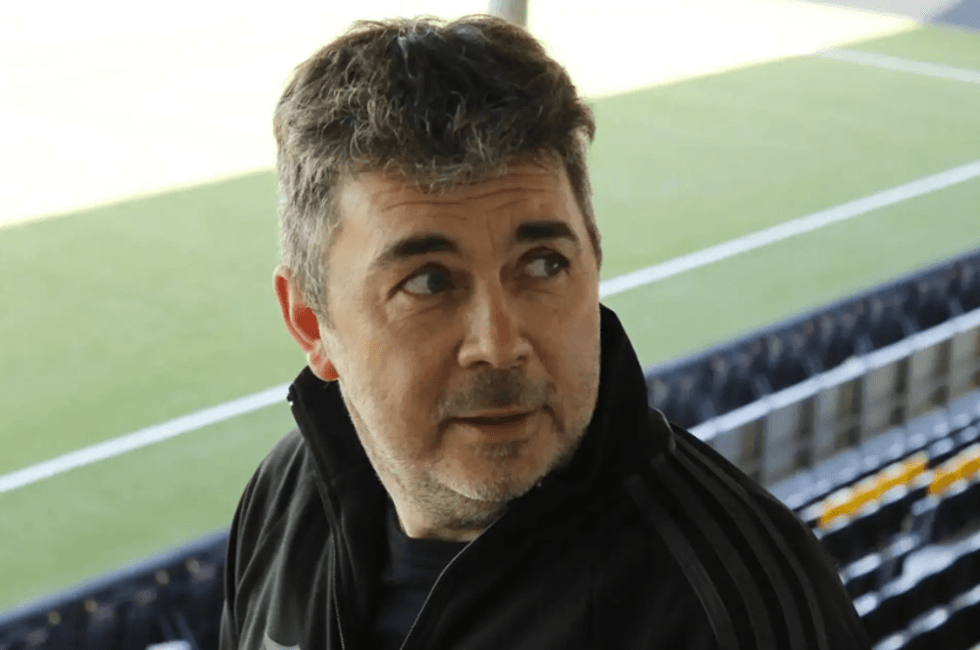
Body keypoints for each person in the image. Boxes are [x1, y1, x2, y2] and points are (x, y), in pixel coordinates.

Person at [219, 14, 871, 650]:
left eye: (543, 265)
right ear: (310, 322)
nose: (500, 345)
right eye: (428, 282)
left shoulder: (732, 613)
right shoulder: (287, 500)